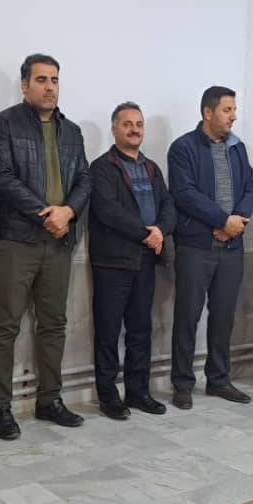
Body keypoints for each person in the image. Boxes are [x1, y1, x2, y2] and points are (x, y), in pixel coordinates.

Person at [0, 54, 91, 439]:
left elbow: (85, 179)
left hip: (60, 240)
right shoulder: (4, 123)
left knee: (54, 323)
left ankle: (50, 399)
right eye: (42, 79)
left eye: (55, 80)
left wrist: (68, 212)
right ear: (25, 85)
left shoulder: (72, 131)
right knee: (4, 325)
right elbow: (2, 178)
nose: (50, 87)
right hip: (17, 238)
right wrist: (46, 213)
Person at [167, 85, 253, 409]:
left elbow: (251, 187)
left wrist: (237, 221)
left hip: (232, 246)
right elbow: (185, 194)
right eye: (227, 110)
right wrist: (222, 220)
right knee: (187, 316)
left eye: (234, 110)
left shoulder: (237, 148)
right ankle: (182, 383)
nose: (233, 116)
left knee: (223, 316)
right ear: (208, 112)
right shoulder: (183, 148)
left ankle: (219, 379)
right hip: (196, 246)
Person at [88, 102, 177, 419]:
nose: (134, 129)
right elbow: (107, 210)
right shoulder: (102, 167)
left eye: (139, 124)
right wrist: (146, 234)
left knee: (141, 329)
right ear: (114, 129)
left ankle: (138, 392)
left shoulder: (152, 167)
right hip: (112, 262)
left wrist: (160, 230)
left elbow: (168, 205)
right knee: (108, 332)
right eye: (127, 124)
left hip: (146, 260)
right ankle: (109, 396)